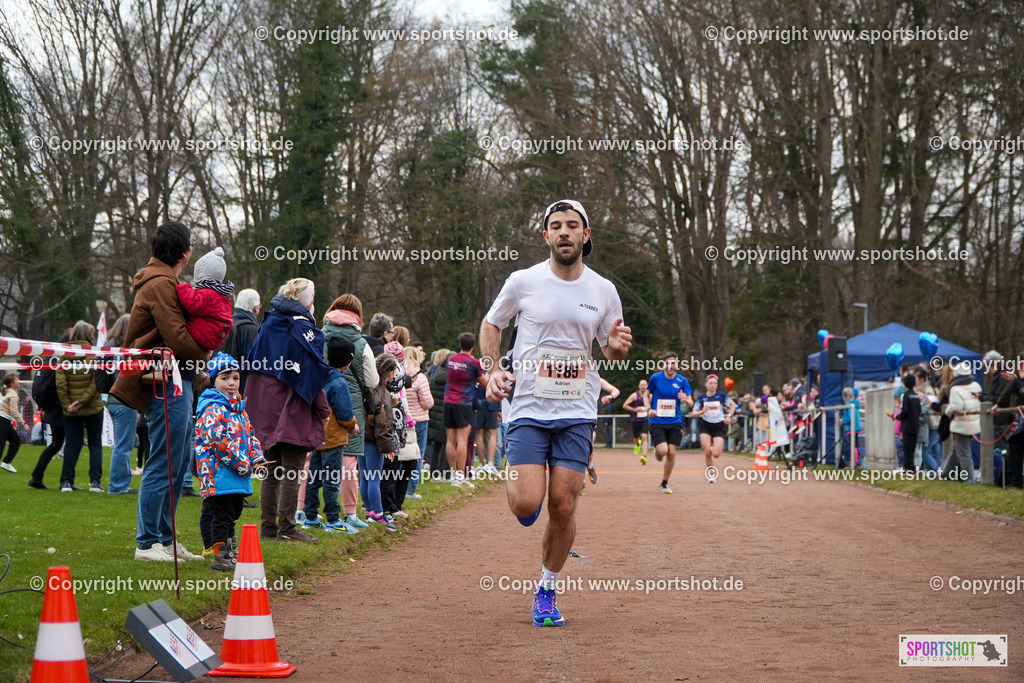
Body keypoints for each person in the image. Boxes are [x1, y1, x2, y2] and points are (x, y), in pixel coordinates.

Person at [481, 198, 631, 628]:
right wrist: (492, 371)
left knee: (563, 506)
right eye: (555, 226)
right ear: (545, 236)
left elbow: (611, 348)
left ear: (586, 235)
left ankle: (546, 589)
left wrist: (618, 349)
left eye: (572, 225)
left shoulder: (603, 290)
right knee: (528, 504)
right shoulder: (523, 281)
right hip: (527, 406)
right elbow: (493, 325)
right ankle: (521, 486)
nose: (564, 232)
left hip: (577, 410)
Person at [111, 221, 210, 562]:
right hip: (164, 381)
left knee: (178, 462)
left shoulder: (166, 281)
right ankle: (147, 542)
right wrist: (206, 352)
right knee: (163, 461)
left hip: (177, 379)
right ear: (184, 252)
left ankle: (166, 539)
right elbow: (177, 335)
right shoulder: (161, 283)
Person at [244, 278, 331, 543]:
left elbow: (254, 367)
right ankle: (287, 528)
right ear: (309, 302)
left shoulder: (269, 323)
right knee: (292, 471)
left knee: (271, 470)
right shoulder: (304, 331)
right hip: (292, 409)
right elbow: (311, 377)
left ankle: (269, 527)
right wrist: (323, 409)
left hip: (264, 408)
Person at [195, 353, 265, 571]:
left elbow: (250, 435)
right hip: (217, 474)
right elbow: (216, 440)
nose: (232, 383)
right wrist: (242, 462)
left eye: (235, 377)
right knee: (222, 515)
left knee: (233, 514)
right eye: (225, 378)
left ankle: (230, 550)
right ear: (214, 381)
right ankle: (220, 555)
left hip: (235, 474)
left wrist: (257, 457)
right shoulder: (211, 407)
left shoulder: (239, 409)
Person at [322, 294, 378, 530]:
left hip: (320, 400)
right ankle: (349, 513)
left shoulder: (318, 334)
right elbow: (373, 380)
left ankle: (304, 510)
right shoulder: (361, 342)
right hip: (350, 404)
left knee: (311, 458)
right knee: (348, 462)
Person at [302, 337, 360, 534]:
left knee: (314, 477)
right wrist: (352, 425)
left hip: (317, 437)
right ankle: (333, 520)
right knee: (332, 479)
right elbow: (344, 413)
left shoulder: (320, 377)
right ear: (348, 361)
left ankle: (310, 517)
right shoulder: (339, 383)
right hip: (334, 439)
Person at [56, 322, 106, 492]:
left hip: (70, 410)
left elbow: (60, 384)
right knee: (95, 444)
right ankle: (95, 483)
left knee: (71, 444)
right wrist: (82, 401)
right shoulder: (94, 354)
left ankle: (66, 482)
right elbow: (95, 383)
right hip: (93, 407)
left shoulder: (63, 355)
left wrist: (68, 404)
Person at [100, 314, 139, 494]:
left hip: (111, 399)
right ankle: (118, 486)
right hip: (124, 399)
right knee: (123, 445)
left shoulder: (108, 347)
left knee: (121, 444)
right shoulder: (127, 350)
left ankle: (120, 483)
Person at [444, 332, 487, 487]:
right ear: (473, 346)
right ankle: (461, 475)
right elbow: (484, 382)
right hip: (464, 403)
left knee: (450, 439)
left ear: (460, 344)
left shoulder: (451, 359)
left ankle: (453, 473)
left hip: (448, 401)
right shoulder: (474, 362)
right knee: (462, 440)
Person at [28, 333, 70, 489]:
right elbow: (57, 386)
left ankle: (37, 476)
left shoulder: (47, 361)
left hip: (49, 409)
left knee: (56, 444)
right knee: (69, 443)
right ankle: (66, 481)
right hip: (58, 409)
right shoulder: (58, 363)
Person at [364, 353, 401, 531]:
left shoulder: (367, 388)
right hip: (374, 442)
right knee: (374, 479)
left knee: (365, 477)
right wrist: (388, 446)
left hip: (362, 440)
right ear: (390, 373)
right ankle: (379, 514)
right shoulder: (383, 394)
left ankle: (369, 511)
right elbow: (382, 423)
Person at [647, 352, 693, 494]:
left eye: (673, 363)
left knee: (672, 453)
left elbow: (691, 403)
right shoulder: (655, 378)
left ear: (677, 364)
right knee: (663, 451)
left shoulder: (682, 381)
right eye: (668, 362)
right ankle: (658, 451)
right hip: (657, 420)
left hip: (675, 420)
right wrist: (649, 408)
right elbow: (646, 394)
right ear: (664, 364)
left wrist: (686, 398)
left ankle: (665, 483)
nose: (671, 365)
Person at [172, 247, 233, 352]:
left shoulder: (208, 293)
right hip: (213, 338)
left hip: (201, 336)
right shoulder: (221, 294)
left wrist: (183, 287)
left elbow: (192, 304)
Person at [690, 374, 736, 483]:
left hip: (718, 426)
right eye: (710, 383)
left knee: (716, 454)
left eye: (714, 383)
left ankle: (712, 448)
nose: (712, 385)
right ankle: (712, 473)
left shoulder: (721, 395)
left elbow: (733, 405)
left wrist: (729, 416)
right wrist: (702, 411)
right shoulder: (702, 397)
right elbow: (694, 413)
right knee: (707, 452)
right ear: (706, 384)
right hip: (705, 425)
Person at [940, 362, 981, 481]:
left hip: (961, 423)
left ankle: (969, 479)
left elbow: (956, 406)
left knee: (964, 453)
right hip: (974, 422)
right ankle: (944, 474)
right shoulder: (976, 385)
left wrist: (947, 412)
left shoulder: (955, 388)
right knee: (956, 449)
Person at [403, 346, 434, 499]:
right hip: (420, 420)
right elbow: (428, 402)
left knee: (403, 455)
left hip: (403, 420)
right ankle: (411, 490)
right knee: (417, 454)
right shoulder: (420, 377)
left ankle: (400, 488)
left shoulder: (400, 375)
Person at [218, 288, 261, 389]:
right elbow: (255, 362)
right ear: (255, 308)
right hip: (244, 385)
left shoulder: (229, 324)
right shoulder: (252, 329)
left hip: (226, 382)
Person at [426, 349, 451, 478]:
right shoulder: (451, 378)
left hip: (435, 415)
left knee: (436, 445)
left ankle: (433, 471)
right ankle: (445, 472)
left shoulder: (435, 375)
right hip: (446, 414)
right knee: (447, 444)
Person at [895, 374, 922, 473]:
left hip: (907, 426)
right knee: (912, 447)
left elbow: (905, 410)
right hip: (916, 425)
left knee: (907, 448)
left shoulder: (906, 395)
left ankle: (909, 467)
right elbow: (919, 410)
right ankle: (911, 467)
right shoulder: (916, 396)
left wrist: (898, 417)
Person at [623, 379, 651, 464]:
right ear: (639, 386)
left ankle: (644, 456)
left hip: (645, 419)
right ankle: (637, 444)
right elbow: (625, 405)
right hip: (635, 420)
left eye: (644, 385)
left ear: (647, 386)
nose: (643, 387)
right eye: (641, 385)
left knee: (644, 437)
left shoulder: (650, 396)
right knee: (636, 438)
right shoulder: (635, 395)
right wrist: (635, 410)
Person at [0, 373, 21, 472]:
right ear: (12, 384)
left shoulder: (4, 391)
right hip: (2, 420)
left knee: (16, 440)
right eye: (17, 379)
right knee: (1, 445)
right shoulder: (13, 395)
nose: (19, 381)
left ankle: (6, 462)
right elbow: (14, 411)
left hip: (5, 421)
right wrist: (22, 422)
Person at [840, 387, 861, 468]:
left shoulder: (849, 405)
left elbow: (849, 417)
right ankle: (857, 462)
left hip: (852, 428)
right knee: (856, 444)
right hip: (856, 427)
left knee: (853, 445)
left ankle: (855, 463)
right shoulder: (856, 403)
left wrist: (843, 421)